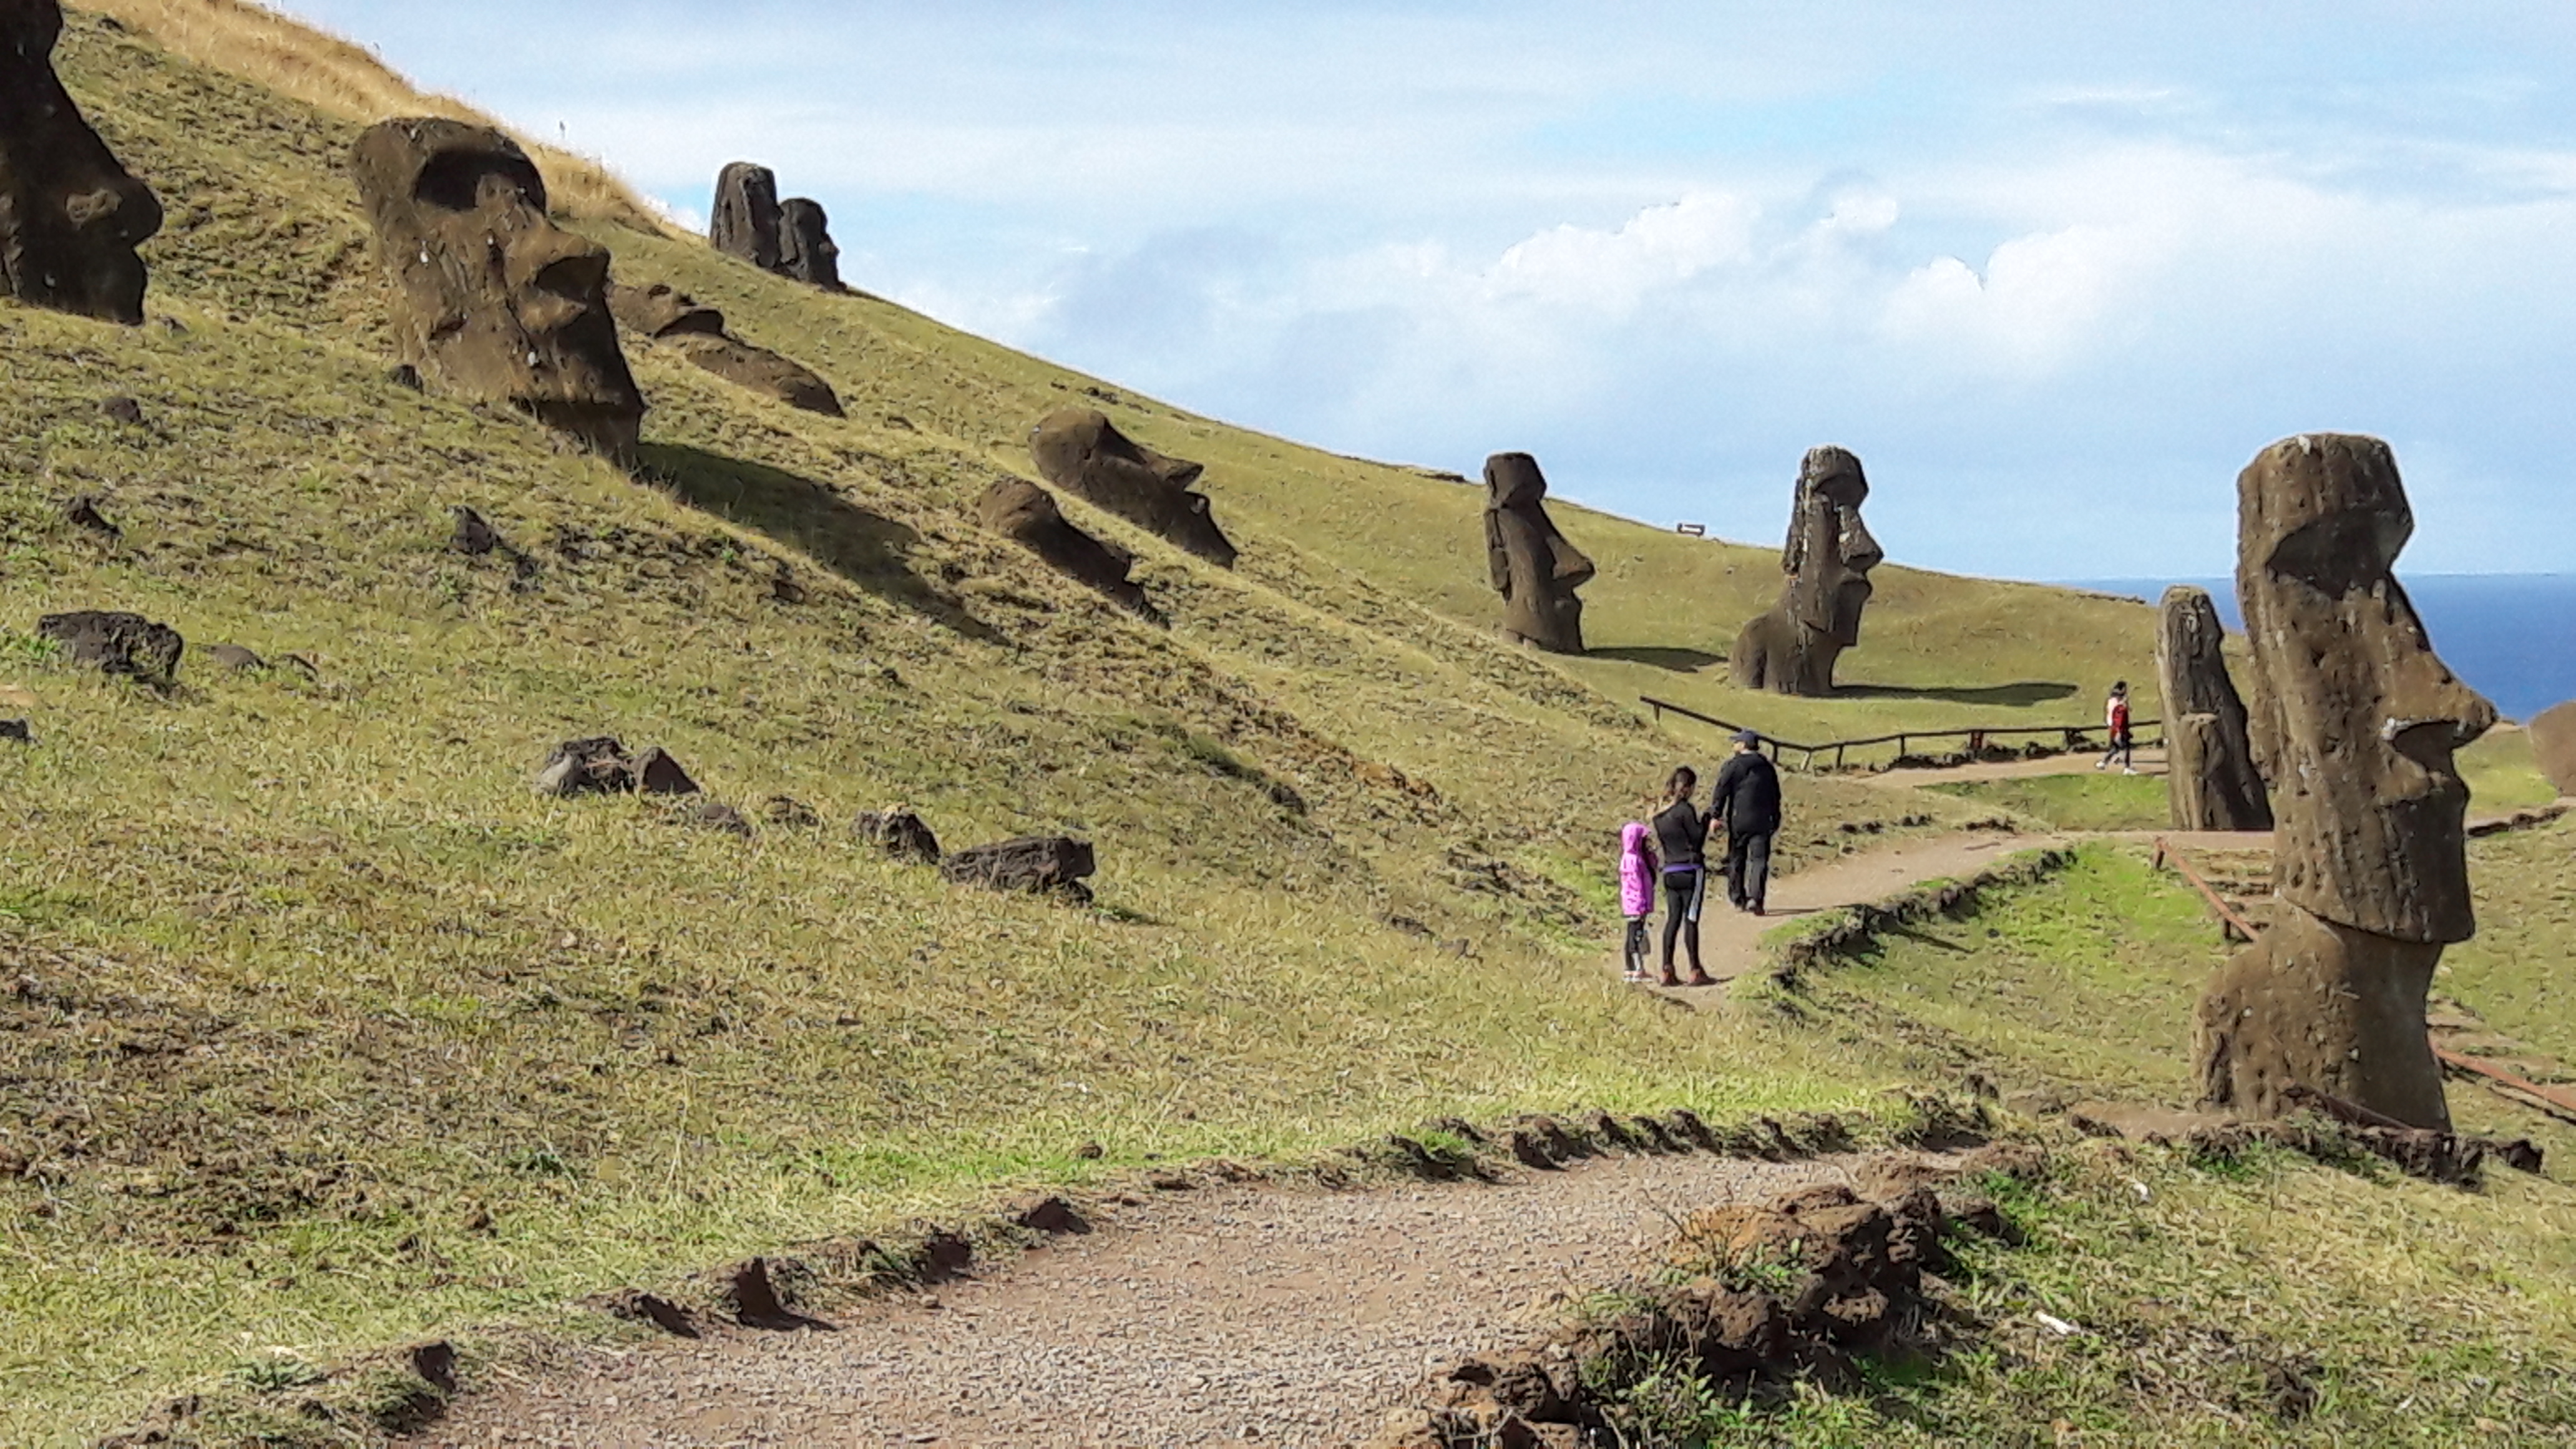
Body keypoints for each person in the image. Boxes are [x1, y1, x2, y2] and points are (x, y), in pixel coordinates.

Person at [1650, 767, 1715, 987]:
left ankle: (1666, 969)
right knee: (1691, 919)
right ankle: (1695, 969)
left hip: (1669, 870)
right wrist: (1707, 820)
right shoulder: (1685, 810)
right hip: (1691, 869)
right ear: (1688, 788)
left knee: (1672, 920)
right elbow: (1697, 839)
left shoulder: (1659, 815)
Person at [1709, 729, 1783, 915]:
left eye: (1736, 742)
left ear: (1743, 745)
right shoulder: (1767, 766)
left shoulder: (1733, 766)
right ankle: (1756, 899)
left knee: (1736, 858)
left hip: (1739, 820)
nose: (1734, 745)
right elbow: (1775, 795)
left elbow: (1721, 790)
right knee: (1759, 860)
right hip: (1762, 820)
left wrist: (1715, 815)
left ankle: (1738, 898)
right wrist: (1775, 817)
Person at [1616, 820, 1657, 983]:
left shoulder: (1638, 858)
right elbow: (1635, 886)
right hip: (1636, 904)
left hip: (1637, 903)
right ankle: (1636, 970)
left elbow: (1653, 866)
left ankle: (1631, 969)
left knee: (1633, 934)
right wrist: (1641, 905)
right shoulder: (1632, 860)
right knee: (1636, 936)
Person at [2095, 680, 2135, 774]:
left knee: (2116, 747)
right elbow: (2121, 716)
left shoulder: (2111, 700)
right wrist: (2125, 703)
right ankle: (2127, 768)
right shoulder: (2119, 703)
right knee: (2125, 747)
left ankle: (2104, 762)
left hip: (2113, 726)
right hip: (2118, 727)